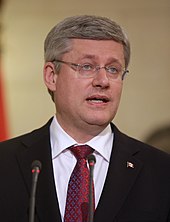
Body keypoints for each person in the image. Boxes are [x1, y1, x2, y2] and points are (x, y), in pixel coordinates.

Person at [0, 15, 170, 222]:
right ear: (52, 76)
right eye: (87, 67)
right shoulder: (5, 162)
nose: (103, 81)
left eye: (113, 69)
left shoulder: (161, 171)